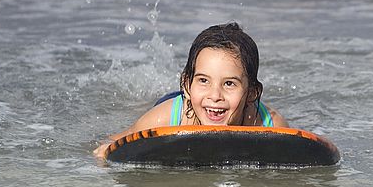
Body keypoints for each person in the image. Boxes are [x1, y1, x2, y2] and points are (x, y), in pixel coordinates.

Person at [94, 22, 287, 157]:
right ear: (187, 84)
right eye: (204, 80)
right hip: (183, 106)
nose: (215, 96)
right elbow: (117, 141)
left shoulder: (269, 124)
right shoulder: (163, 118)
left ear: (252, 93)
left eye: (229, 83)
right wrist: (105, 151)